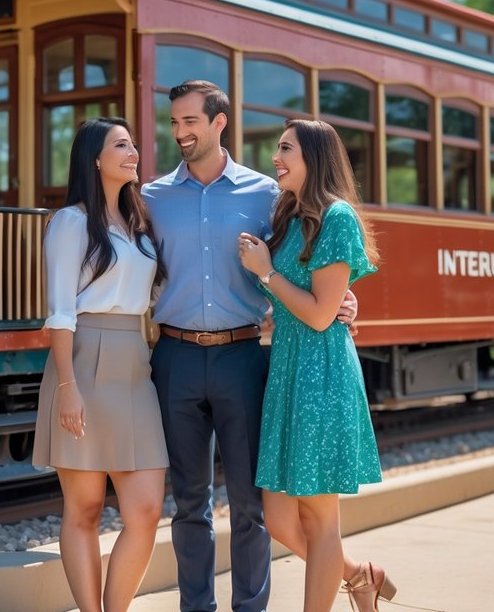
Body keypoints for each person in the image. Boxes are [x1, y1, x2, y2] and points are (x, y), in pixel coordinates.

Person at [143, 80, 358, 612]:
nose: (180, 132)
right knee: (189, 503)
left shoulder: (270, 195)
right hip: (175, 357)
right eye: (174, 123)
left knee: (251, 505)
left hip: (245, 357)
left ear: (219, 123)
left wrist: (345, 300)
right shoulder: (150, 198)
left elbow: (309, 260)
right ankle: (196, 607)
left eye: (190, 121)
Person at [237, 119, 394, 612]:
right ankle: (360, 577)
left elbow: (323, 314)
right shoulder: (288, 214)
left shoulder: (337, 216)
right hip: (287, 369)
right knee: (281, 519)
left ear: (315, 158)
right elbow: (302, 302)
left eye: (285, 149)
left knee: (323, 521)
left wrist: (265, 273)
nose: (275, 158)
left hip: (321, 374)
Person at [32, 117, 169, 612]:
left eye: (134, 144)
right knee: (85, 509)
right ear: (94, 158)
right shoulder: (71, 221)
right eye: (120, 145)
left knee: (146, 510)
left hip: (135, 363)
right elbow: (61, 311)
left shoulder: (140, 224)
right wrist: (68, 385)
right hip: (83, 361)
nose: (133, 152)